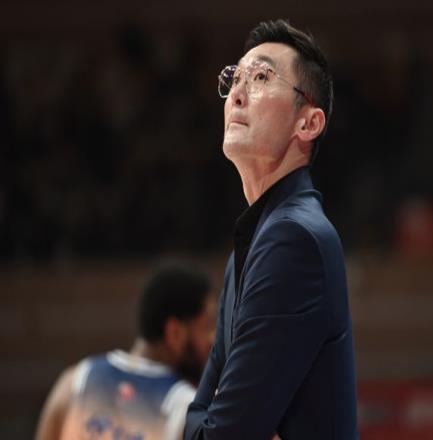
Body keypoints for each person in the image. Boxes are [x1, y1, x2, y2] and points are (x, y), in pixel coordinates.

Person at [184, 19, 358, 440]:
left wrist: (210, 419)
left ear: (308, 123)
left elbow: (217, 433)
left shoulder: (293, 239)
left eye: (261, 77)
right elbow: (197, 417)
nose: (237, 94)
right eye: (235, 79)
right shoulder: (250, 248)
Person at [36, 259, 215, 440]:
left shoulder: (75, 381)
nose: (213, 339)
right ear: (175, 333)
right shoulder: (186, 409)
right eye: (207, 326)